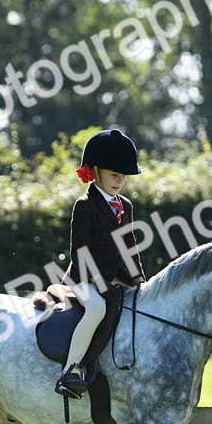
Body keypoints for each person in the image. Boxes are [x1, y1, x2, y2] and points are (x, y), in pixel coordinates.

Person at [55, 129, 147, 398]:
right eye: (114, 175)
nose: (120, 181)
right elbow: (80, 253)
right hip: (83, 279)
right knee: (96, 308)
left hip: (111, 278)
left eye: (123, 176)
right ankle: (71, 370)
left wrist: (141, 282)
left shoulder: (125, 206)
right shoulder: (85, 205)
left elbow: (128, 246)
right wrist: (102, 285)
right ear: (94, 173)